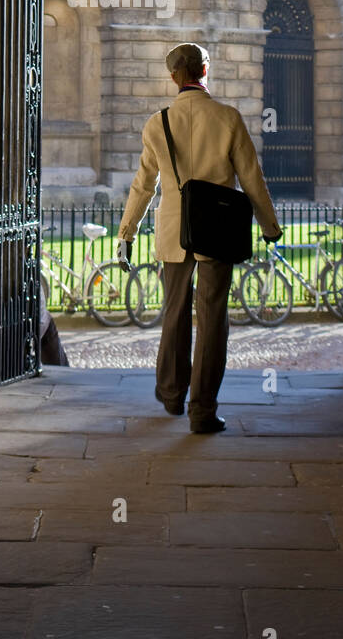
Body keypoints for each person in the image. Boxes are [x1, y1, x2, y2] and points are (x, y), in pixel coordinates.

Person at [117, 43, 282, 433]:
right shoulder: (228, 118)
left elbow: (144, 185)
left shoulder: (158, 123)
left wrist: (128, 232)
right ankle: (202, 409)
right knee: (212, 320)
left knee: (173, 314)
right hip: (217, 230)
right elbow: (252, 179)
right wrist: (269, 226)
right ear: (204, 70)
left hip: (175, 230)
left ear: (173, 76)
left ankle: (172, 394)